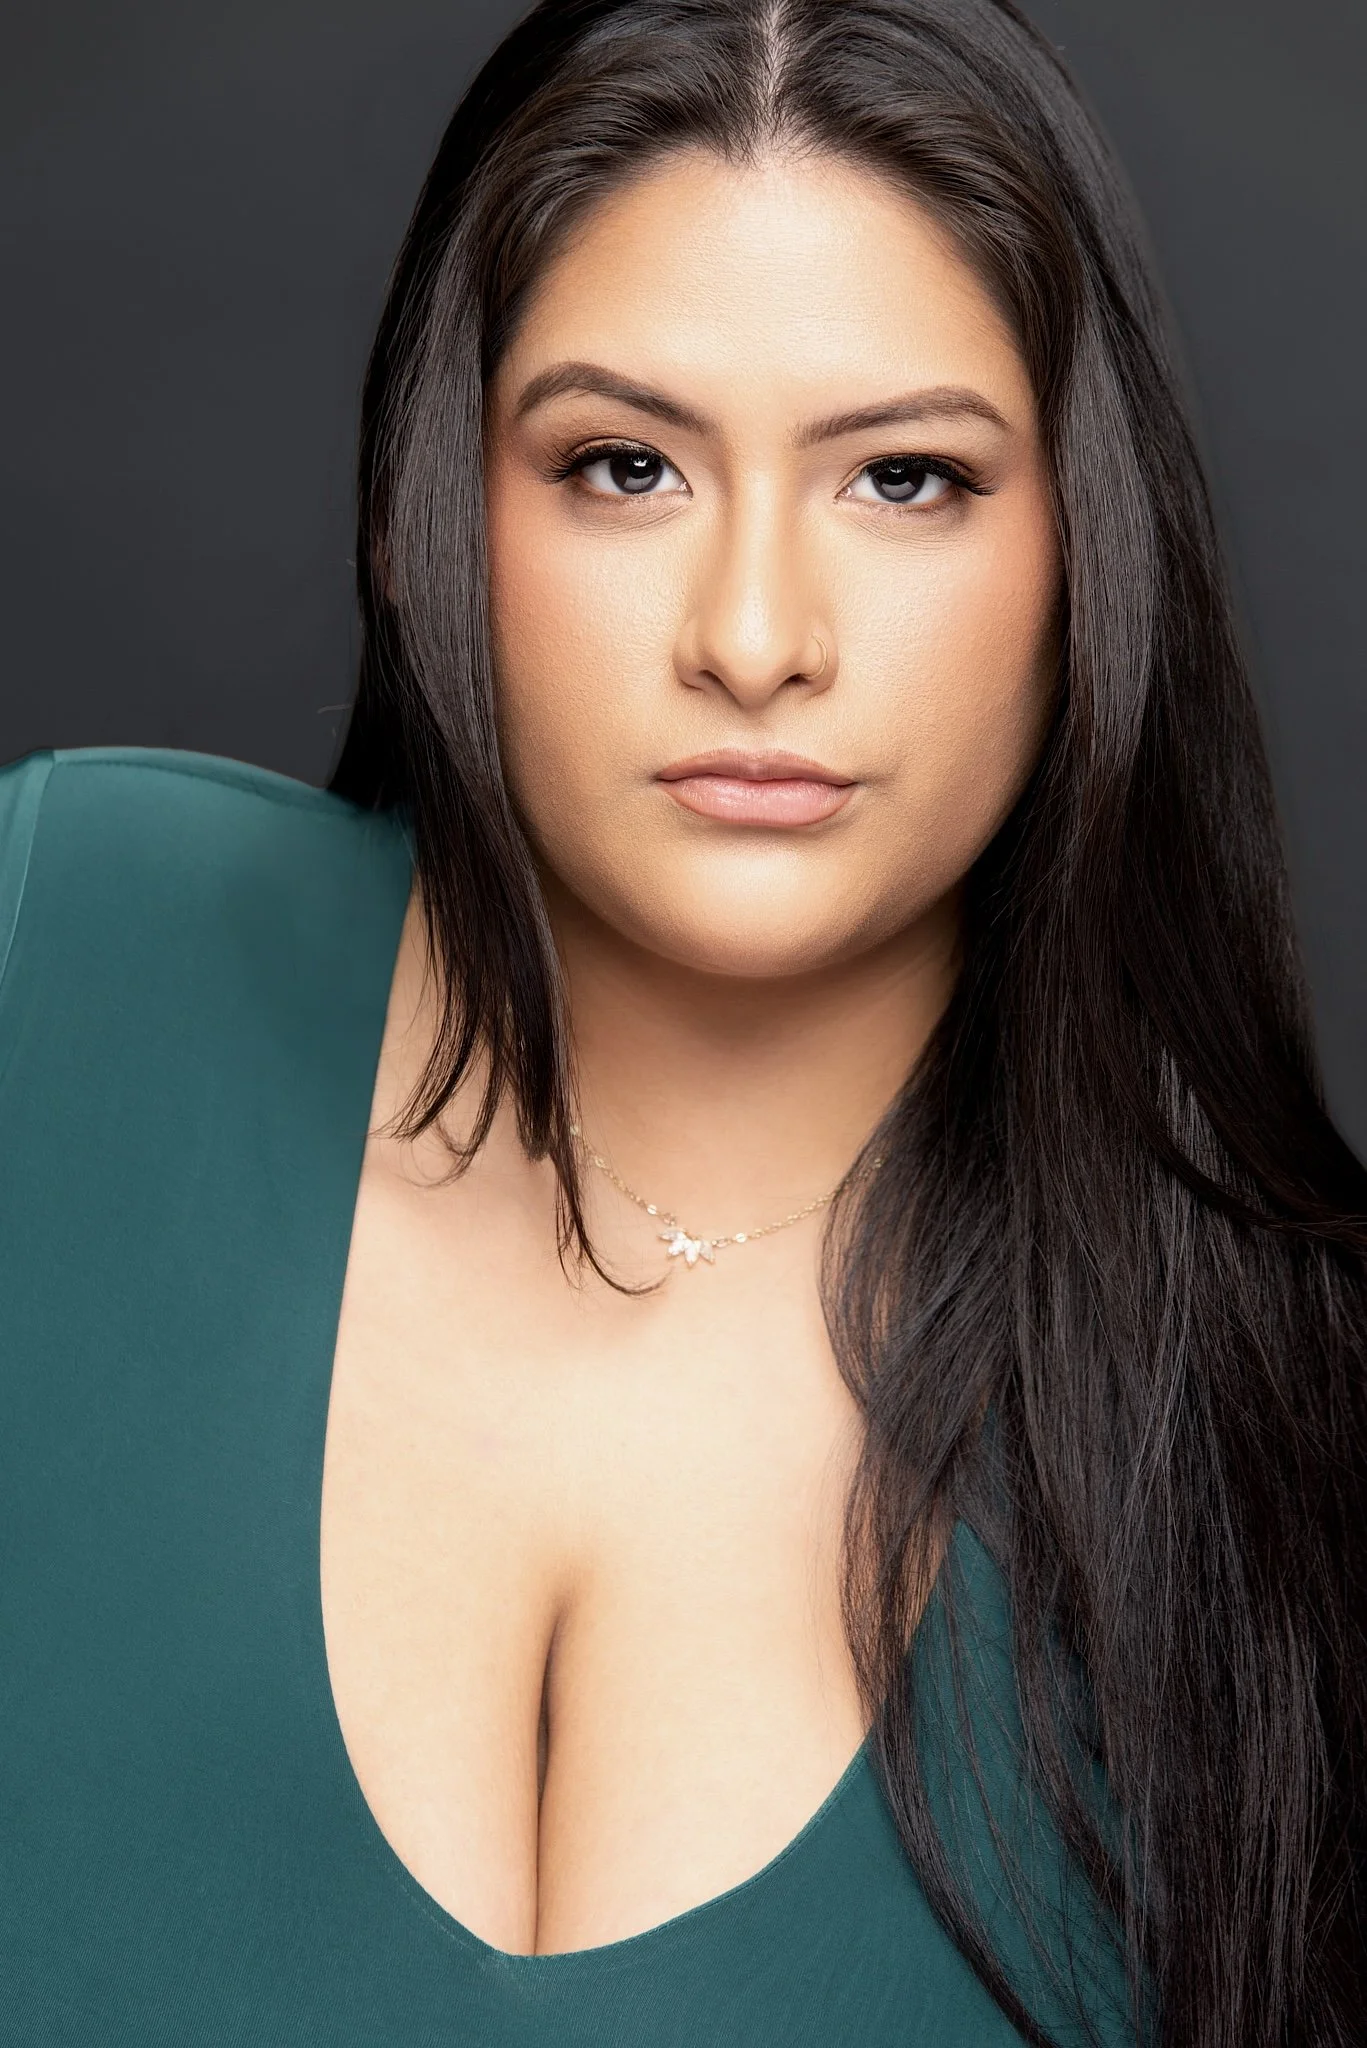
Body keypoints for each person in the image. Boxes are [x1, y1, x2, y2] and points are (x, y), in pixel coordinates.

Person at [0, 0, 1362, 2041]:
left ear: (1089, 560)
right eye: (621, 465)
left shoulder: (1269, 1410)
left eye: (902, 479)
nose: (750, 637)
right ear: (421, 518)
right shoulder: (63, 961)